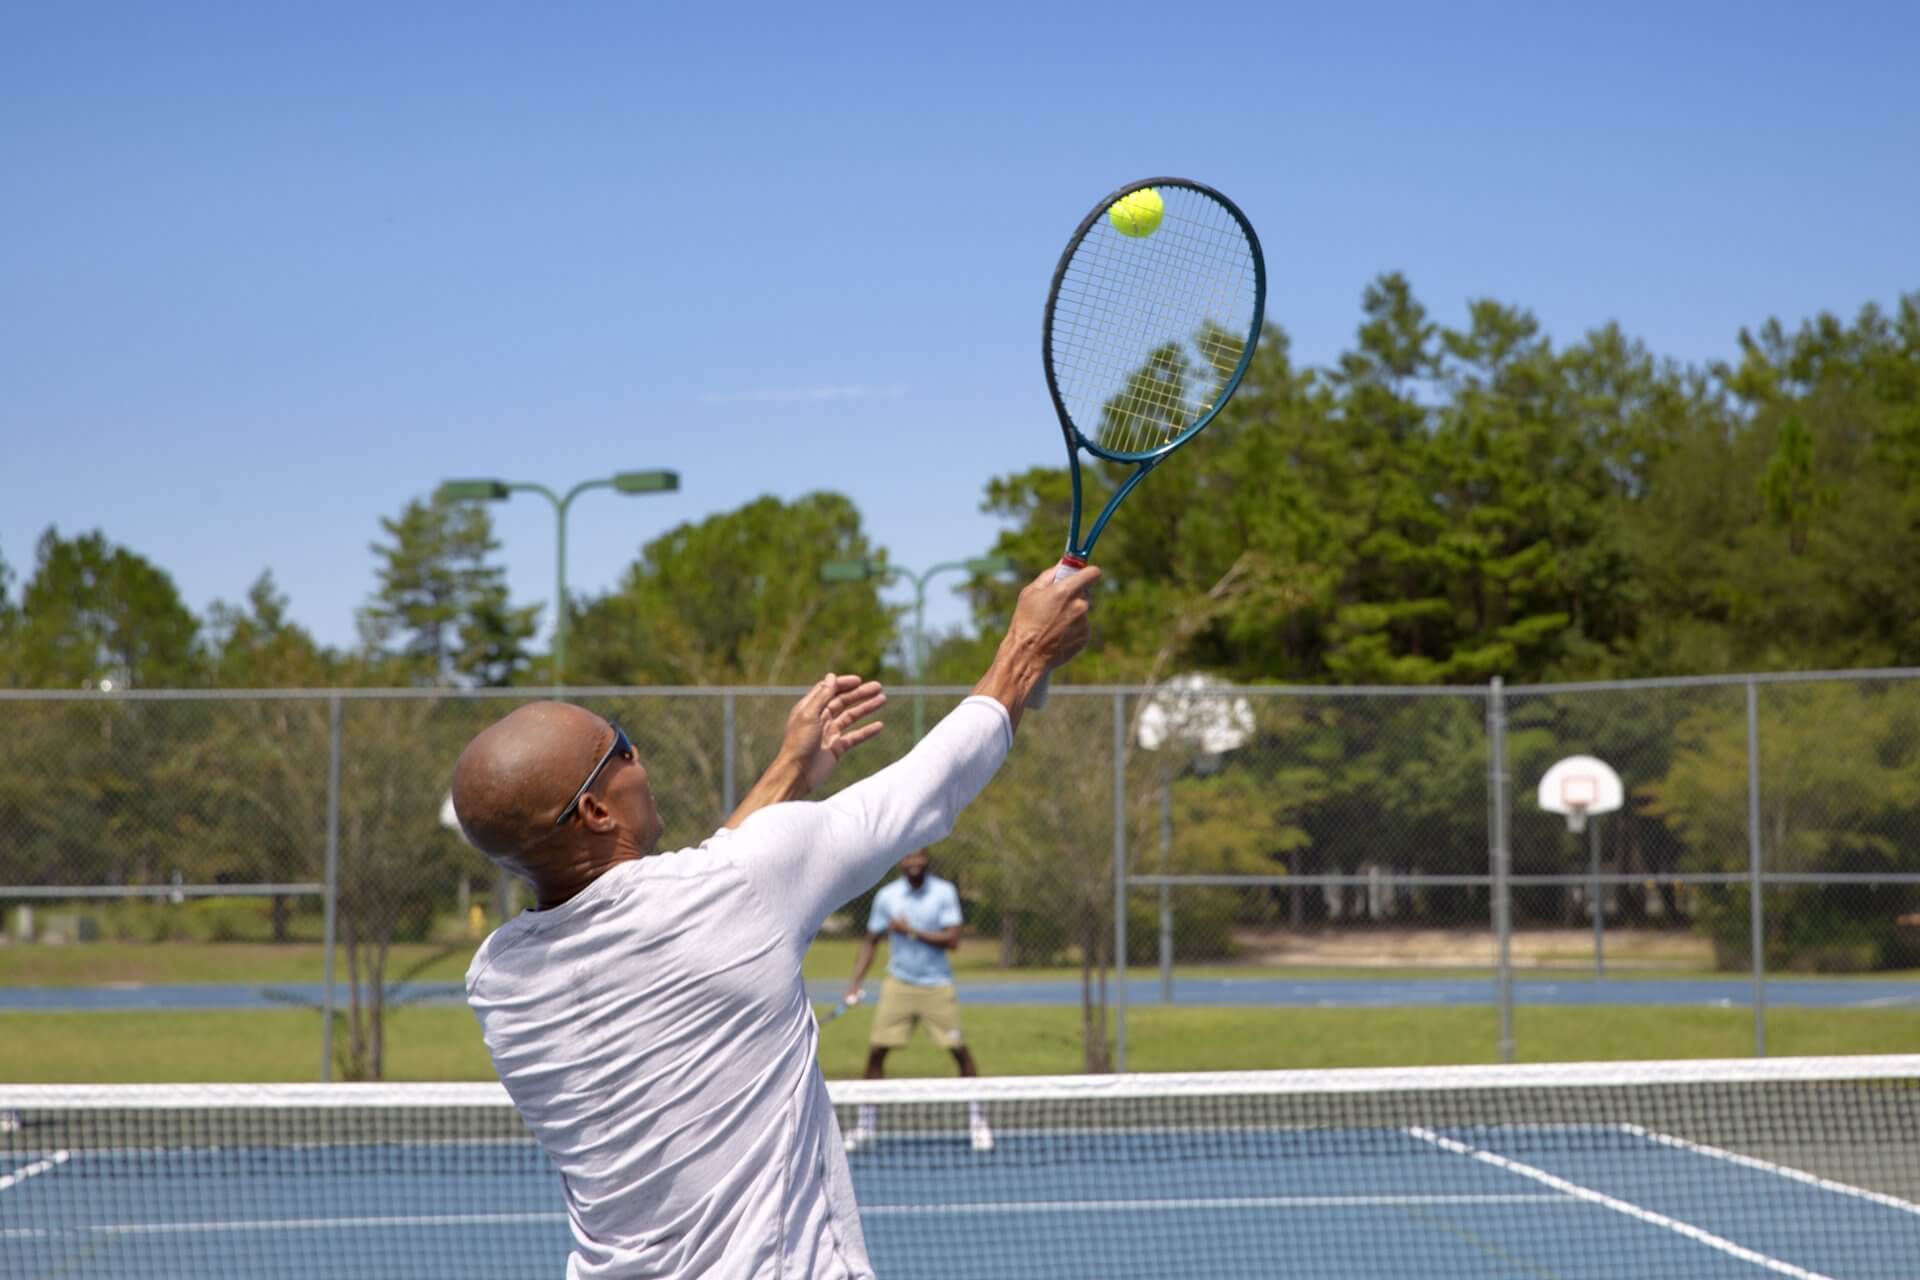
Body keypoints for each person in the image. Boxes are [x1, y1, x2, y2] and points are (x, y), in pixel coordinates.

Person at [451, 563, 1098, 1280]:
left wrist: (791, 769)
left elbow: (705, 897)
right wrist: (1026, 650)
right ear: (597, 813)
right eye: (622, 747)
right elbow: (924, 790)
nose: (642, 758)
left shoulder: (497, 981)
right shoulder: (731, 893)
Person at [841, 848, 990, 1153]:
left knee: (958, 1051)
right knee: (877, 1052)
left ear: (927, 860)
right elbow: (871, 941)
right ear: (901, 862)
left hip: (937, 986)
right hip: (899, 984)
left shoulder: (944, 893)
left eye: (919, 858)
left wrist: (911, 932)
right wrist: (855, 983)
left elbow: (953, 940)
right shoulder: (887, 897)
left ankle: (978, 1122)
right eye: (908, 858)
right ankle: (866, 1125)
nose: (914, 864)